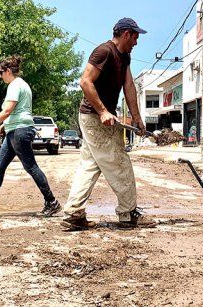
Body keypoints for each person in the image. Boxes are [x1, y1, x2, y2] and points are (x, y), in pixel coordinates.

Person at [60, 17, 154, 230]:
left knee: (90, 166)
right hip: (95, 118)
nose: (136, 43)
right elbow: (85, 81)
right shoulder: (104, 51)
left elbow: (129, 87)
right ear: (126, 34)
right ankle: (128, 213)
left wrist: (137, 119)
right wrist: (102, 111)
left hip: (100, 118)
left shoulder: (125, 56)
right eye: (135, 37)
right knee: (120, 163)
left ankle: (74, 213)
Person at [0, 55, 61, 217]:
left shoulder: (15, 85)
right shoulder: (21, 84)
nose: (0, 75)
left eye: (1, 72)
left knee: (31, 167)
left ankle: (52, 202)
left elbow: (8, 110)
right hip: (15, 130)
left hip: (20, 131)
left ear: (8, 71)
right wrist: (3, 126)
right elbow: (17, 111)